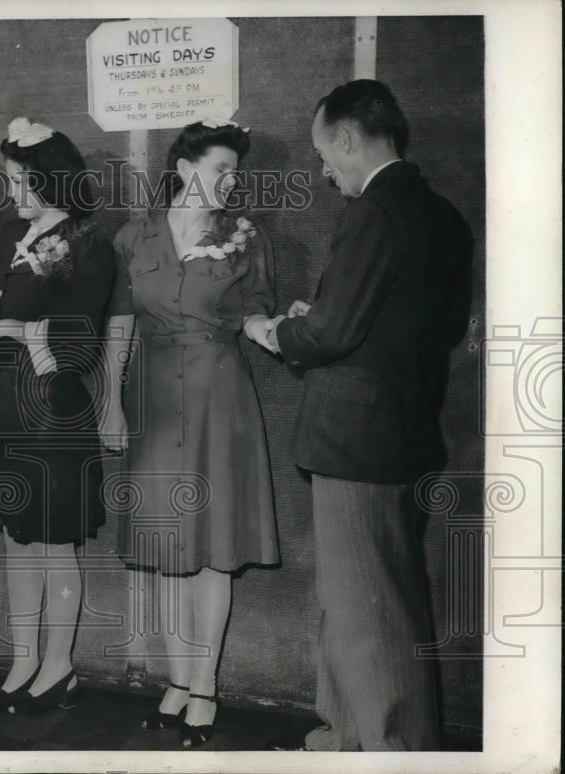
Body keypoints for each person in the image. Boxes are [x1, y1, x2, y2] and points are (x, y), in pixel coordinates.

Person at [267, 79, 473, 751]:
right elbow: (441, 326)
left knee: (368, 615)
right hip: (404, 433)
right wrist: (335, 322)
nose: (324, 171)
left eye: (323, 153)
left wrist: (276, 331)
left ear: (347, 138)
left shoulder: (372, 213)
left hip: (356, 443)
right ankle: (342, 740)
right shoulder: (443, 216)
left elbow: (329, 333)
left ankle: (393, 754)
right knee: (363, 600)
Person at [99, 119, 281, 748]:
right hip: (151, 401)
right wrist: (110, 403)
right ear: (183, 169)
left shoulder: (246, 237)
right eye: (219, 168)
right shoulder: (133, 235)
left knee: (213, 546)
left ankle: (203, 687)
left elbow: (256, 309)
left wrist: (266, 330)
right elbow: (119, 323)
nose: (230, 181)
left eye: (235, 171)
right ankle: (178, 681)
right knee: (167, 545)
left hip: (218, 400)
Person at [0, 117, 115, 715]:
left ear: (53, 180)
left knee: (53, 542)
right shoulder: (12, 236)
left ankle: (59, 666)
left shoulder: (87, 243)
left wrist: (19, 332)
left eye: (21, 181)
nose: (12, 193)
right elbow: (1, 321)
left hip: (52, 409)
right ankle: (23, 660)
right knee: (16, 539)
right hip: (7, 408)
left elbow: (83, 344)